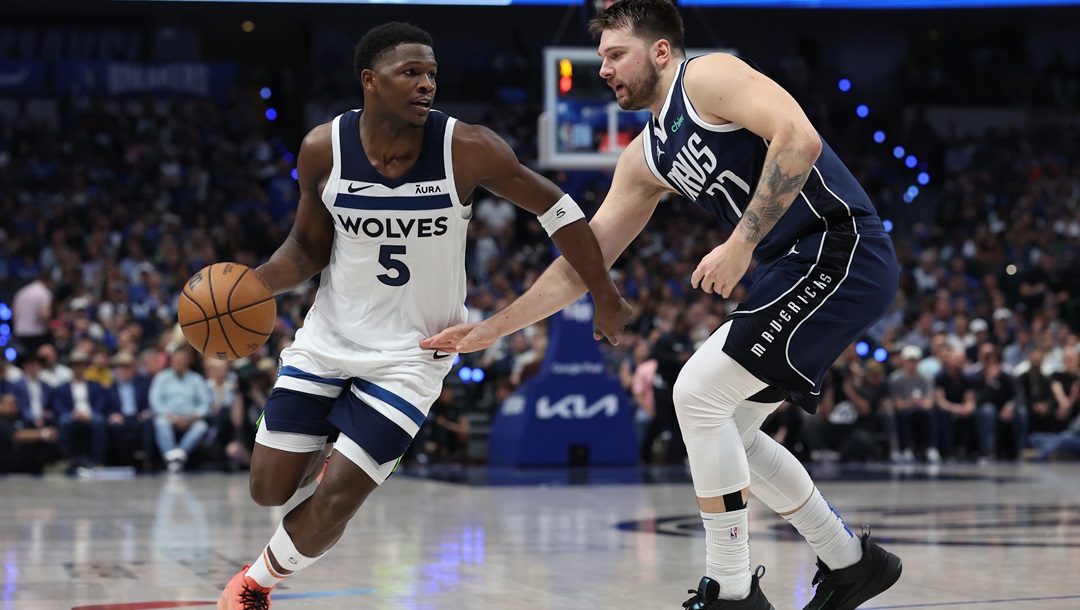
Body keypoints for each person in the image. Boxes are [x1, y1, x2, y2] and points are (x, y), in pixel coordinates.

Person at [422, 1, 901, 608]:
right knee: (734, 432)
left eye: (615, 54)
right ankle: (850, 561)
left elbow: (799, 138)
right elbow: (584, 264)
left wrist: (740, 242)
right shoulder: (645, 156)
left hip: (841, 248)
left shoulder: (708, 77)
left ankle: (730, 588)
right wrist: (495, 327)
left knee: (696, 393)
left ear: (661, 51)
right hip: (795, 265)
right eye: (600, 57)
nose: (603, 69)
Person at [215, 22, 631, 610]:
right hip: (328, 339)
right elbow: (308, 249)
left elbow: (558, 207)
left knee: (337, 499)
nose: (426, 85)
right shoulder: (322, 149)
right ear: (370, 82)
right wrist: (252, 285)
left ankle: (255, 584)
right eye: (410, 73)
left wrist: (604, 294)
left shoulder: (467, 147)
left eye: (431, 74)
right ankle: (336, 436)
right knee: (268, 489)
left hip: (415, 355)